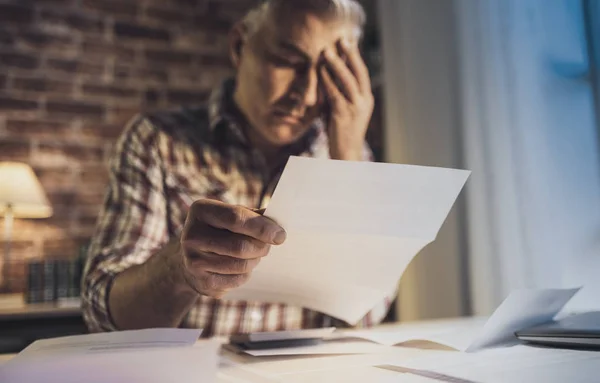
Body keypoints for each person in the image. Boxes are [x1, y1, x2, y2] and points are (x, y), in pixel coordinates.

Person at [82, 0, 392, 336]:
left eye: (329, 74)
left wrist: (347, 159)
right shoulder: (157, 141)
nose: (307, 94)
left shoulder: (349, 157)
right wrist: (178, 270)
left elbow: (366, 319)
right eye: (288, 61)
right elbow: (104, 317)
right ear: (239, 45)